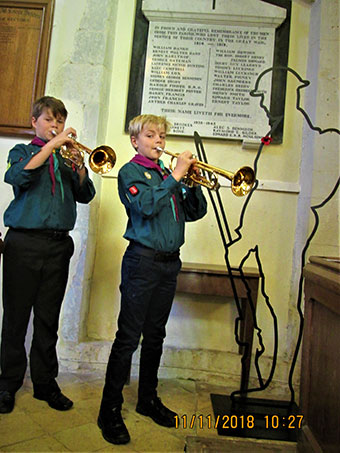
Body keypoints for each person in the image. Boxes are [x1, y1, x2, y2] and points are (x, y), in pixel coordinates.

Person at [98, 114, 207, 445]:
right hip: (142, 263)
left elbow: (195, 212)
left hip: (169, 264)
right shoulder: (131, 172)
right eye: (151, 135)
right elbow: (145, 206)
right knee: (128, 338)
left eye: (162, 135)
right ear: (136, 141)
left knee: (155, 336)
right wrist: (176, 175)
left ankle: (147, 399)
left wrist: (191, 183)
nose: (159, 140)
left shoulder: (166, 175)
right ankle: (109, 410)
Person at [0, 96, 96, 414]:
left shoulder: (68, 160)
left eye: (59, 121)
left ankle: (44, 382)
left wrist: (79, 166)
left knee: (47, 318)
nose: (55, 126)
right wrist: (51, 146)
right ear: (34, 122)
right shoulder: (23, 152)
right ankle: (7, 382)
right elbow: (17, 177)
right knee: (15, 318)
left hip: (58, 246)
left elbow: (85, 195)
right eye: (49, 120)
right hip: (23, 244)